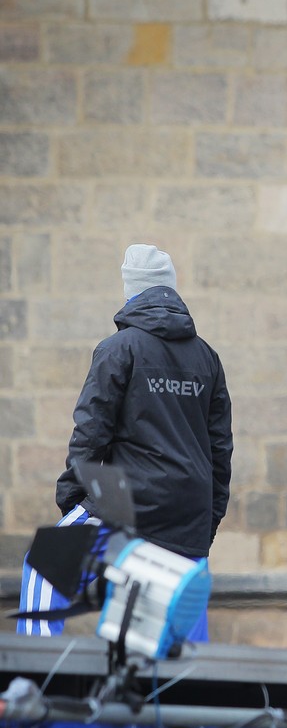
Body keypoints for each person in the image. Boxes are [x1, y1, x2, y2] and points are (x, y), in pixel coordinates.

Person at [17, 245, 232, 640]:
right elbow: (220, 451)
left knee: (44, 564)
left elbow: (89, 435)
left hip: (130, 506)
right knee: (167, 632)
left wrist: (75, 500)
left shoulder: (118, 349)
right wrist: (206, 523)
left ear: (131, 293)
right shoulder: (207, 358)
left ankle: (33, 676)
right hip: (189, 514)